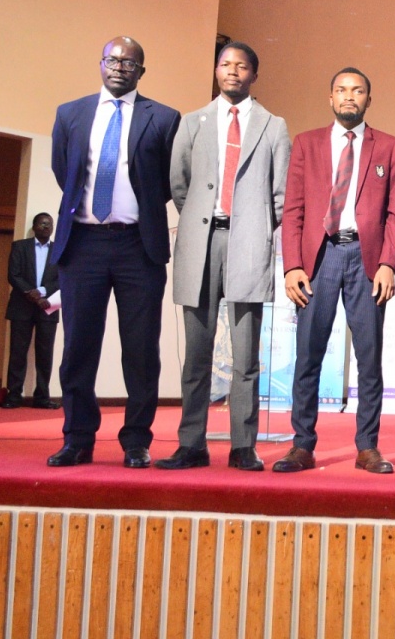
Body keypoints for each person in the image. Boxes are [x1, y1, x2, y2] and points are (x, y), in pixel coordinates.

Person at [156, 42, 291, 472]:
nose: (233, 71)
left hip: (248, 245)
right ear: (216, 71)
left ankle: (243, 446)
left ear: (254, 74)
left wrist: (252, 227)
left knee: (245, 356)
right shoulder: (192, 122)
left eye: (242, 66)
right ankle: (191, 444)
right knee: (196, 355)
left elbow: (281, 193)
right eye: (226, 64)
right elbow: (179, 184)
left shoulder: (273, 126)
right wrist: (204, 220)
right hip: (201, 243)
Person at [47, 36, 181, 468]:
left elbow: (167, 181)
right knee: (78, 347)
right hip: (82, 244)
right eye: (113, 59)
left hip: (138, 246)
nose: (120, 66)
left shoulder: (164, 118)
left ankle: (136, 441)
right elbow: (63, 170)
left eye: (130, 62)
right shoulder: (70, 113)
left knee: (141, 350)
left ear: (142, 71)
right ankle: (77, 438)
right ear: (101, 63)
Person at [275, 67, 395, 473]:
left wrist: (388, 263)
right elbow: (293, 209)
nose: (349, 97)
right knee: (307, 356)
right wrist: (292, 266)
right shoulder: (307, 143)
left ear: (369, 99)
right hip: (320, 258)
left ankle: (367, 447)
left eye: (357, 90)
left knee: (370, 358)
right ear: (330, 98)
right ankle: (302, 445)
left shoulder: (388, 146)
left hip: (366, 261)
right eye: (341, 90)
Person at [1, 213, 60, 409]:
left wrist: (42, 292)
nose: (46, 226)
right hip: (21, 306)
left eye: (50, 224)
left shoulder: (59, 249)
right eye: (42, 223)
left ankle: (42, 397)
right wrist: (33, 294)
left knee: (45, 354)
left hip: (48, 307)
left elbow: (62, 277)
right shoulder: (20, 247)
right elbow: (13, 275)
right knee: (18, 352)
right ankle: (13, 396)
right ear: (34, 226)